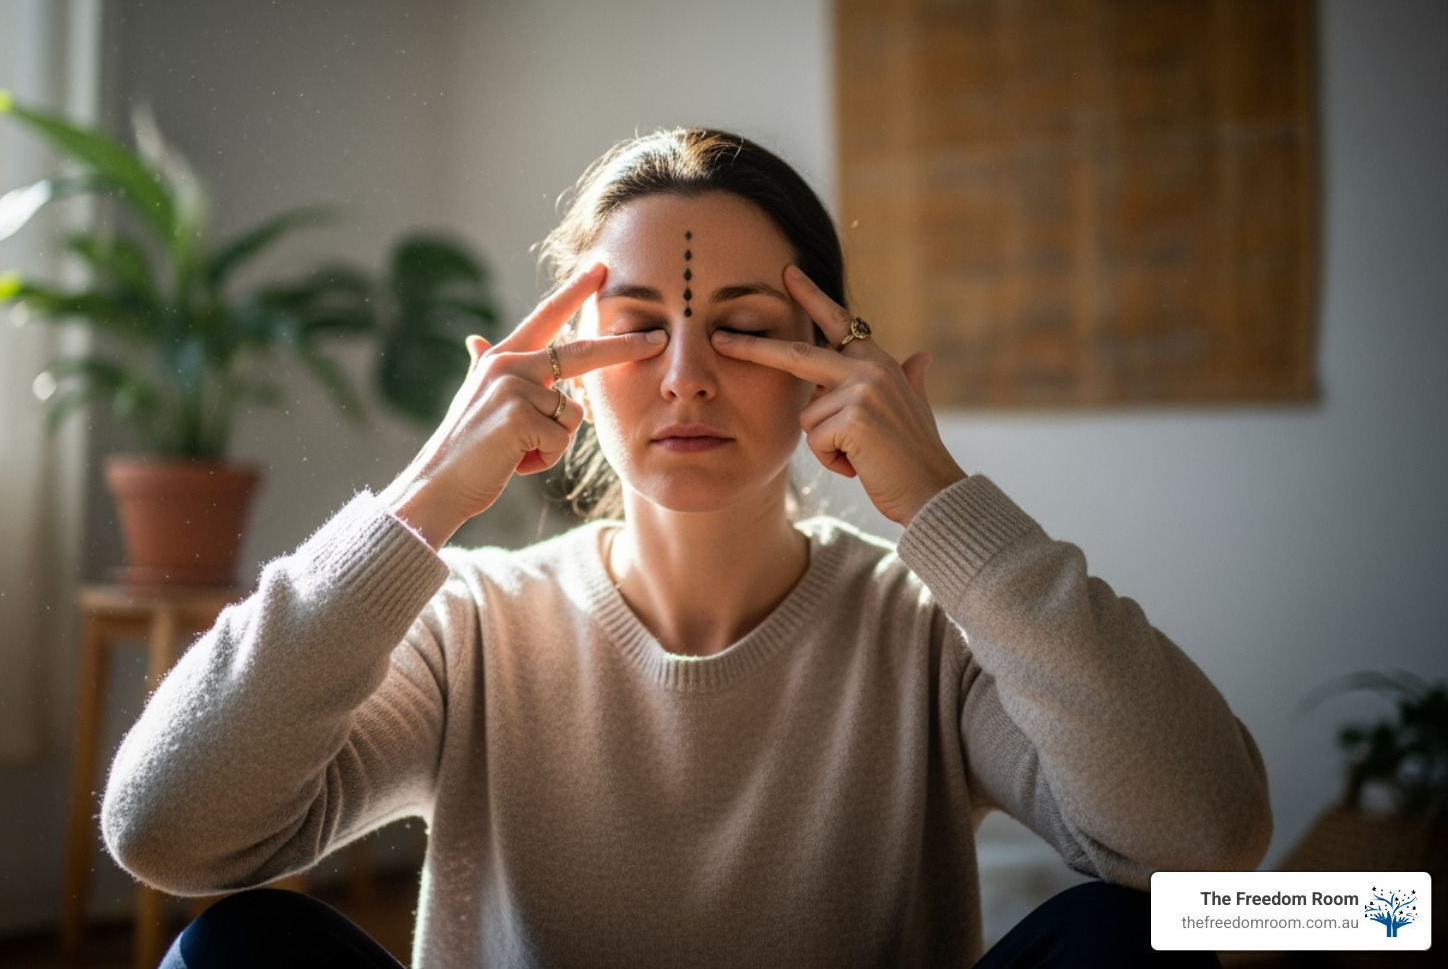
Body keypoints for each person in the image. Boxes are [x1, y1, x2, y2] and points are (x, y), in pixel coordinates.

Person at [101, 128, 1271, 968]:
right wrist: (420, 503)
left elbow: (1207, 842)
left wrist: (945, 505)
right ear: (566, 360)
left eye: (745, 330)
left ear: (835, 355)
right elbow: (166, 830)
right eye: (640, 328)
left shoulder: (927, 633)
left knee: (1142, 935)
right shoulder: (474, 623)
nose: (686, 377)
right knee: (232, 945)